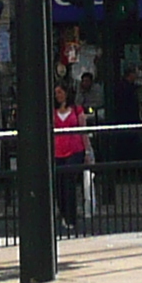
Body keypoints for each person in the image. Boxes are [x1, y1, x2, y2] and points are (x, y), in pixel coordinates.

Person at [52, 81, 89, 230]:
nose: (58, 96)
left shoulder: (77, 110)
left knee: (69, 183)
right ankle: (63, 213)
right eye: (56, 93)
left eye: (60, 92)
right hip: (58, 150)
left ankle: (71, 218)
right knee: (59, 185)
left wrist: (87, 150)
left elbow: (83, 130)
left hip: (75, 149)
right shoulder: (53, 112)